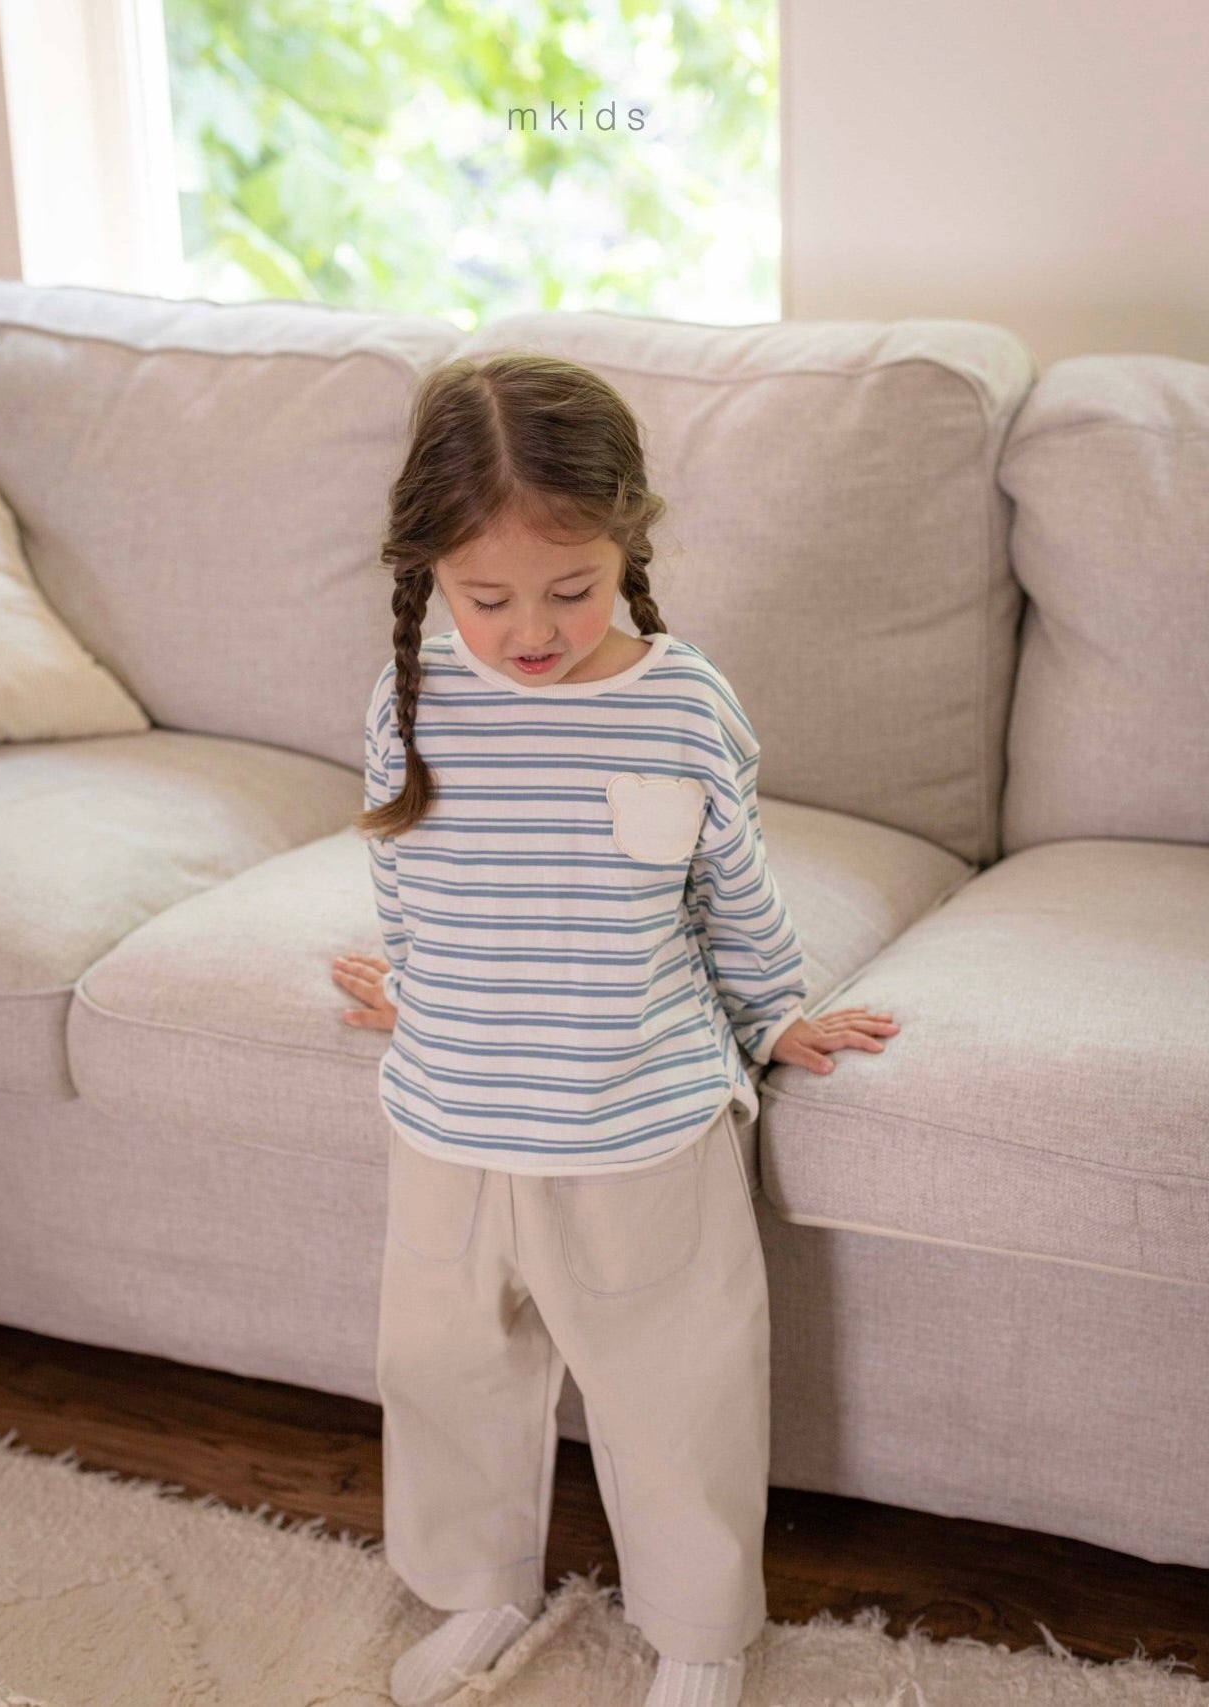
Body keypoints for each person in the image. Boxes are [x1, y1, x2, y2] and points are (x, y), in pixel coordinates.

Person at [331, 352, 900, 1707]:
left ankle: (701, 1634)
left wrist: (777, 1015)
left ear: (627, 546)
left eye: (571, 588)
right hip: (449, 1120)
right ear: (430, 573)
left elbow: (732, 893)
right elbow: (407, 872)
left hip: (637, 1125)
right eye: (488, 599)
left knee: (678, 1391)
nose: (532, 629)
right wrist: (411, 984)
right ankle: (478, 1587)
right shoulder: (410, 699)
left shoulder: (681, 704)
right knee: (446, 1371)